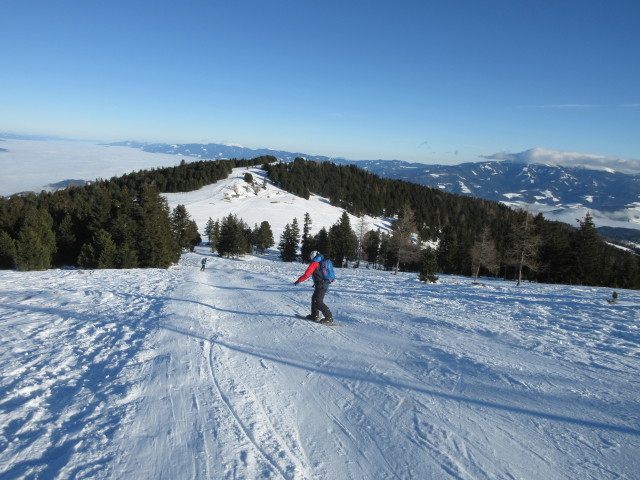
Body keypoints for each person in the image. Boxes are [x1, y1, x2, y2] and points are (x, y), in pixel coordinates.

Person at [294, 250, 333, 323]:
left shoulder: (314, 263)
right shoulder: (322, 261)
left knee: (318, 302)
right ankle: (314, 315)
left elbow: (306, 275)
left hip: (321, 285)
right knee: (314, 298)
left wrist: (298, 280)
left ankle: (329, 317)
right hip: (323, 284)